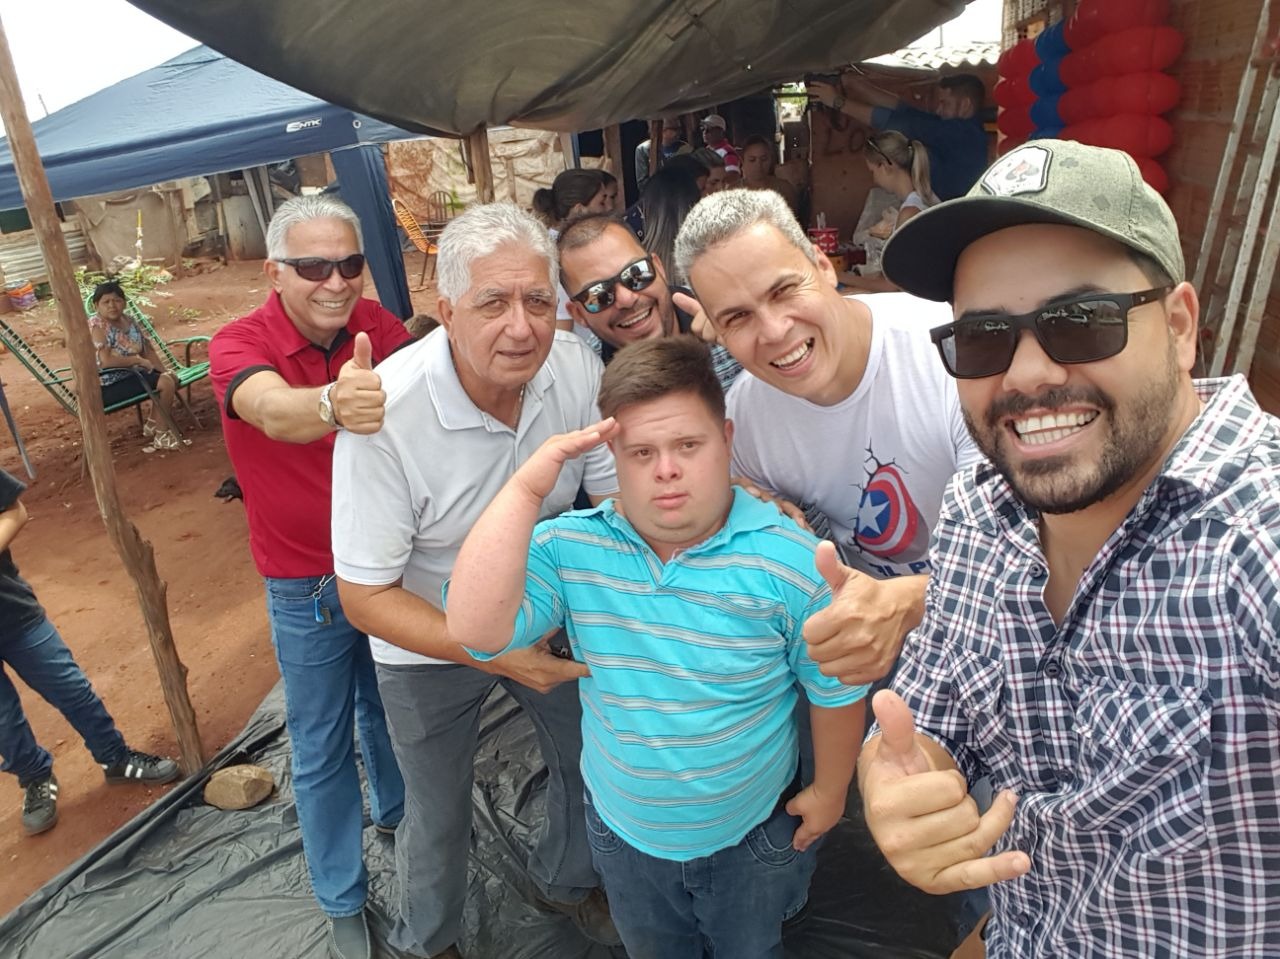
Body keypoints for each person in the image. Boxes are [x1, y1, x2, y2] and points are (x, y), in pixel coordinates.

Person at [858, 139, 1280, 957]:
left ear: (1180, 326)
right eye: (984, 337)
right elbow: (930, 712)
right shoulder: (979, 510)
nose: (1027, 374)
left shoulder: (1256, 545)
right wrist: (893, 778)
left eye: (1080, 322)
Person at [443, 336, 868, 959]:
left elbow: (836, 688)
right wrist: (527, 489)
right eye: (642, 452)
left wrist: (830, 791)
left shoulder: (793, 562)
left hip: (752, 835)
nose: (666, 469)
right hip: (624, 836)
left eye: (688, 446)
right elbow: (475, 628)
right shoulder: (573, 549)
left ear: (726, 439)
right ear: (612, 454)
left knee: (750, 949)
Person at [331, 202, 620, 959]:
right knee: (436, 806)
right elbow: (365, 596)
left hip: (543, 609)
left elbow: (613, 503)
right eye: (493, 303)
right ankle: (429, 940)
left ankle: (568, 877)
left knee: (593, 754)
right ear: (449, 311)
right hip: (422, 633)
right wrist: (494, 654)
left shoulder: (574, 369)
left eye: (537, 301)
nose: (521, 328)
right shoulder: (388, 417)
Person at [674, 189, 981, 687]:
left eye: (782, 291)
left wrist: (905, 602)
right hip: (859, 653)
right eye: (737, 317)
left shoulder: (949, 352)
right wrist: (745, 502)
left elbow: (1034, 552)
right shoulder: (746, 419)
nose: (775, 330)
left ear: (823, 265)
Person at [209, 194, 408, 959]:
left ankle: (399, 816)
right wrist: (332, 400)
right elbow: (269, 409)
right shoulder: (239, 343)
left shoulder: (377, 327)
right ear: (274, 272)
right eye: (314, 266)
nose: (336, 281)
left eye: (349, 263)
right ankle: (342, 896)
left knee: (389, 708)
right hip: (306, 583)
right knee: (321, 742)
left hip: (385, 568)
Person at [1, 467, 179, 837]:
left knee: (70, 688)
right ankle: (35, 779)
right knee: (3, 721)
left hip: (13, 613)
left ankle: (115, 758)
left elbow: (15, 511)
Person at [559, 213, 741, 389]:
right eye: (599, 294)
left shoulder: (732, 317)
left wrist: (740, 343)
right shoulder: (589, 380)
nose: (626, 299)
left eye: (636, 273)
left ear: (658, 267)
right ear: (578, 314)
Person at [807, 73, 987, 201]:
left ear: (965, 105)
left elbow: (898, 122)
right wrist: (856, 84)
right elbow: (903, 109)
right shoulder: (953, 128)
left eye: (944, 103)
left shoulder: (961, 133)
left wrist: (837, 102)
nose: (939, 110)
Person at [839, 130, 939, 293]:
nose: (874, 179)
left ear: (885, 166)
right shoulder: (923, 200)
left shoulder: (910, 213)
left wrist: (839, 276)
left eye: (873, 171)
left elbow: (892, 286)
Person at [88, 280, 181, 449]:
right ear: (96, 306)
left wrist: (163, 371)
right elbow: (105, 362)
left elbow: (147, 351)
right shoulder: (97, 326)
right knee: (165, 383)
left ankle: (152, 423)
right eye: (106, 302)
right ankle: (161, 435)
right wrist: (136, 361)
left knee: (170, 377)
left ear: (124, 303)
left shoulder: (129, 321)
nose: (112, 306)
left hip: (132, 376)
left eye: (117, 300)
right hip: (107, 385)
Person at [740, 135, 800, 213]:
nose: (759, 165)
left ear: (771, 160)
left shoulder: (785, 189)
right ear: (743, 162)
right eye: (752, 160)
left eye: (763, 159)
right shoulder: (733, 191)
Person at [634, 118, 687, 191]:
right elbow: (642, 183)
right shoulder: (643, 149)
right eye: (674, 129)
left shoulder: (686, 148)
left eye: (679, 129)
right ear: (661, 129)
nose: (679, 132)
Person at [700, 113, 741, 186]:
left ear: (721, 132)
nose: (705, 132)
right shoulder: (706, 152)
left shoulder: (727, 152)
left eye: (709, 129)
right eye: (703, 129)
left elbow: (734, 177)